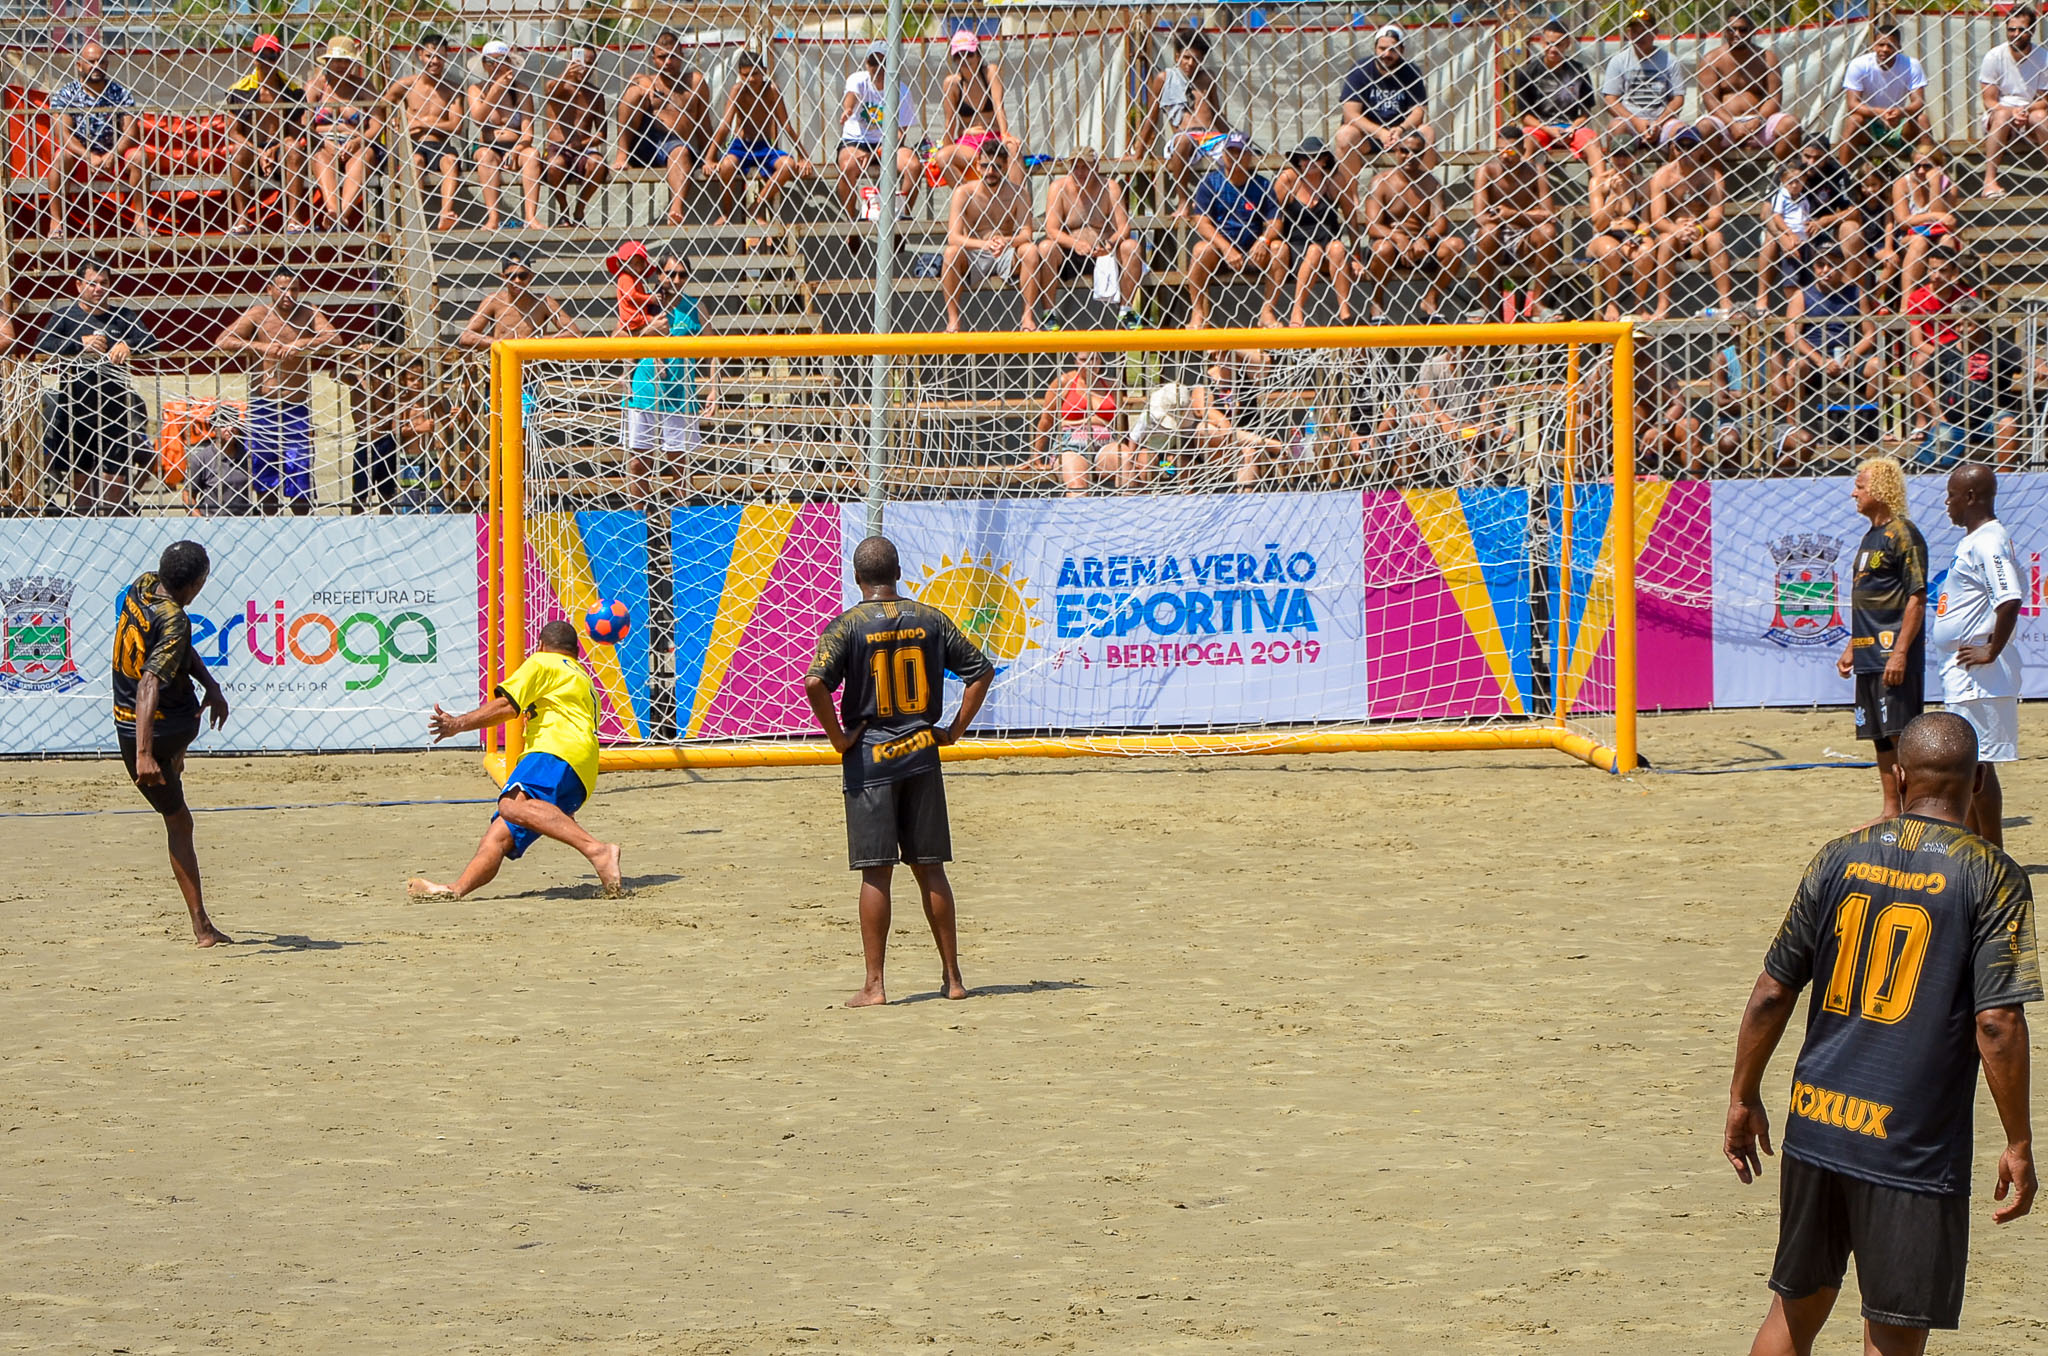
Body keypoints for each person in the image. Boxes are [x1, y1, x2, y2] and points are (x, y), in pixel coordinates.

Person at [1723, 710, 2039, 1354]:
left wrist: (1743, 1095)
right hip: (1909, 1143)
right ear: (1979, 780)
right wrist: (2020, 1140)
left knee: (1793, 1310)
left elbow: (1772, 991)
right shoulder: (1992, 875)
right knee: (1893, 1333)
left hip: (1817, 1120)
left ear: (1897, 776)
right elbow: (1998, 1023)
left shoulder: (1839, 854)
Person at [803, 535, 995, 1008]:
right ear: (899, 573)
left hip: (871, 759)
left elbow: (814, 682)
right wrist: (952, 730)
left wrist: (840, 739)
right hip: (921, 753)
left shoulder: (846, 625)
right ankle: (952, 978)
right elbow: (981, 671)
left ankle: (875, 985)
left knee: (876, 874)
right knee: (931, 870)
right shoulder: (929, 618)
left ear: (856, 577)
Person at [411, 619, 625, 901]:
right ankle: (456, 889)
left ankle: (598, 850)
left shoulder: (543, 662)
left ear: (540, 645)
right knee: (498, 836)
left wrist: (457, 725)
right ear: (576, 651)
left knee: (510, 805)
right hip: (583, 769)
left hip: (555, 751)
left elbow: (506, 706)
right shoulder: (581, 676)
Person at [113, 540, 233, 946]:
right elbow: (150, 681)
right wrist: (146, 755)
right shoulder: (177, 620)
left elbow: (174, 650)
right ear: (198, 584)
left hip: (135, 722)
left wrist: (211, 684)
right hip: (152, 732)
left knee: (187, 702)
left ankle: (173, 759)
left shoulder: (142, 586)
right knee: (180, 823)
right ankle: (202, 929)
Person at [1934, 467, 2026, 846]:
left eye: (1952, 495)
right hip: (1964, 673)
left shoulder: (1988, 541)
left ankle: (1993, 852)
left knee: (1977, 763)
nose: (1947, 503)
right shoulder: (1974, 541)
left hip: (1979, 676)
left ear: (1971, 496)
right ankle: (1974, 847)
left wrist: (1992, 649)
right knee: (1966, 764)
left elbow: (2010, 597)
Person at [1835, 456, 1927, 819]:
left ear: (1881, 489)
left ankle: (1916, 811)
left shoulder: (1904, 533)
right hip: (1868, 654)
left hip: (1892, 654)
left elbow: (1916, 598)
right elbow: (1867, 600)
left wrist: (1900, 653)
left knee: (1901, 736)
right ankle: (1892, 809)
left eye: (1860, 485)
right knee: (1877, 736)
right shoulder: (1870, 536)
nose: (1853, 492)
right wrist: (1851, 648)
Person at [214, 265, 344, 513]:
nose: (289, 295)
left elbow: (335, 338)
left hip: (296, 406)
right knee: (265, 471)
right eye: (284, 289)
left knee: (300, 472)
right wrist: (261, 348)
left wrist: (302, 343)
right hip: (263, 404)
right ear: (270, 289)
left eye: (294, 289)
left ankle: (304, 527)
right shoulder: (259, 314)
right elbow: (223, 340)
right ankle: (270, 524)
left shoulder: (308, 312)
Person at [34, 261, 156, 514]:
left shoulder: (123, 316)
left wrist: (129, 345)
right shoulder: (65, 316)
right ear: (79, 285)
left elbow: (151, 340)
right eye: (92, 283)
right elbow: (41, 346)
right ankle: (80, 533)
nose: (98, 289)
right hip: (77, 412)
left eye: (104, 284)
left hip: (116, 413)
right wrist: (79, 344)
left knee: (115, 484)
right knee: (81, 486)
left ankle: (116, 533)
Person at [622, 250, 715, 489]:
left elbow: (715, 350)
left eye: (682, 275)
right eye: (670, 274)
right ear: (658, 274)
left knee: (679, 463)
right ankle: (639, 522)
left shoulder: (696, 307)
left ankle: (681, 521)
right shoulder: (642, 304)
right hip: (645, 389)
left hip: (679, 394)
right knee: (638, 463)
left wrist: (715, 389)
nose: (676, 280)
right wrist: (647, 332)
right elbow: (618, 341)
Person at [1772, 251, 1878, 445]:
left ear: (1842, 268)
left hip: (1847, 360)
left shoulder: (1856, 292)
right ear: (1814, 268)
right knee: (1796, 366)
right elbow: (1791, 335)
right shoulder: (1802, 296)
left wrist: (1853, 356)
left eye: (1833, 264)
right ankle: (1792, 427)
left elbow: (1870, 332)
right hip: (1814, 363)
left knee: (1877, 366)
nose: (1826, 270)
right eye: (1821, 265)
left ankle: (1870, 422)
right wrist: (1820, 360)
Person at [1921, 297, 2038, 469]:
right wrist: (1936, 413)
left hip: (1990, 420)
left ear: (1982, 323)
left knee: (2008, 425)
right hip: (1954, 423)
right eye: (1957, 325)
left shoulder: (1998, 348)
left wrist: (2039, 368)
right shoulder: (1946, 352)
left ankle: (2004, 480)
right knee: (1931, 456)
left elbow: (2029, 361)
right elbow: (1921, 379)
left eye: (1968, 325)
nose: (1961, 330)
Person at [45, 40, 145, 238]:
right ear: (79, 65)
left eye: (102, 62)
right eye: (91, 61)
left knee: (139, 156)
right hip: (79, 158)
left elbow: (131, 131)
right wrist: (87, 155)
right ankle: (55, 221)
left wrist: (112, 155)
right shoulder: (66, 94)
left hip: (113, 156)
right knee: (59, 158)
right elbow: (63, 133)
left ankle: (140, 219)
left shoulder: (119, 92)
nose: (97, 66)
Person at [1185, 133, 1285, 330]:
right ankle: (1197, 313)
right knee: (1199, 250)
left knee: (1280, 248)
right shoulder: (1211, 182)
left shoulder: (1262, 185)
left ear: (1249, 156)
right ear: (1223, 154)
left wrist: (1264, 240)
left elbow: (1276, 222)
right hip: (1221, 250)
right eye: (1230, 152)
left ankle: (1267, 311)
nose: (1235, 157)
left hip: (1254, 250)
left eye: (1240, 152)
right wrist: (1226, 248)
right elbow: (1201, 221)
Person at [1037, 147, 1145, 327]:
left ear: (1096, 168)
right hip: (1070, 254)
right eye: (1075, 167)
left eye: (1085, 167)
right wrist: (1075, 243)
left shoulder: (1110, 187)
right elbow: (1052, 230)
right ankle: (1049, 313)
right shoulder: (1058, 188)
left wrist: (1110, 244)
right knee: (1046, 247)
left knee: (1131, 246)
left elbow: (1124, 227)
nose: (1080, 172)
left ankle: (1127, 311)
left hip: (1104, 252)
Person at [1363, 129, 1463, 323]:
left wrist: (1424, 239)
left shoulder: (1430, 183)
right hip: (1390, 246)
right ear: (1395, 151)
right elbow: (1372, 226)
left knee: (1456, 245)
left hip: (1420, 247)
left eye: (1416, 152)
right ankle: (1376, 302)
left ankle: (1431, 299)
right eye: (1404, 151)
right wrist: (1399, 238)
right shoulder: (1381, 182)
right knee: (1382, 248)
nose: (1410, 157)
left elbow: (1440, 222)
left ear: (1424, 154)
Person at [941, 138, 1041, 332]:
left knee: (1030, 250)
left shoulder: (1018, 193)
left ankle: (1028, 318)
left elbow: (1027, 233)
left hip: (1006, 253)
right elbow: (953, 237)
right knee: (951, 253)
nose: (990, 172)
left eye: (996, 166)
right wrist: (983, 245)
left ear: (1004, 167)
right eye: (986, 166)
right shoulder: (964, 192)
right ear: (977, 166)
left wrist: (1006, 241)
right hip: (975, 252)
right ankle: (953, 320)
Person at [618, 29, 713, 227]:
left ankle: (676, 209)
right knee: (634, 93)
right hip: (647, 143)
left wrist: (709, 157)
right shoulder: (647, 81)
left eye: (673, 56)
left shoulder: (695, 82)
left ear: (682, 56)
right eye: (662, 57)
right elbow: (634, 80)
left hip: (677, 147)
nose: (668, 62)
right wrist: (642, 82)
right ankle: (621, 154)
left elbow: (704, 124)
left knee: (679, 151)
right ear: (653, 59)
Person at [707, 51, 809, 227]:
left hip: (763, 145)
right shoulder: (737, 90)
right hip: (741, 145)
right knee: (727, 166)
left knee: (787, 165)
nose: (751, 79)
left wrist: (803, 156)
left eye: (755, 74)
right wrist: (709, 157)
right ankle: (727, 211)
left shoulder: (771, 90)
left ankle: (757, 205)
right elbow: (725, 125)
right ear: (740, 74)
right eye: (745, 75)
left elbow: (786, 126)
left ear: (763, 71)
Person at [1469, 124, 1559, 320]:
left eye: (1509, 150)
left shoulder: (1536, 171)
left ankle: (1538, 304)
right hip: (1494, 239)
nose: (1504, 156)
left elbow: (1549, 215)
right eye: (1499, 150)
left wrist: (1512, 214)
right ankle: (1484, 305)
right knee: (1488, 231)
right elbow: (1480, 217)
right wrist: (1523, 216)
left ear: (1522, 150)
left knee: (1548, 232)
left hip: (1524, 239)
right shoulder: (1487, 171)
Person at [1696, 7, 1802, 165]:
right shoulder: (1711, 59)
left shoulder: (1768, 58)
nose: (1736, 34)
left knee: (1791, 124)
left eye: (1742, 29)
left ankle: (1780, 177)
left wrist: (1758, 120)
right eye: (1731, 30)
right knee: (1704, 127)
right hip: (1725, 124)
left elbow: (1775, 98)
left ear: (1752, 31)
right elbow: (1710, 100)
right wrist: (1732, 125)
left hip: (1759, 123)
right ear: (1725, 31)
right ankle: (1716, 180)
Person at [225, 33, 308, 234]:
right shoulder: (240, 91)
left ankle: (294, 218)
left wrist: (274, 150)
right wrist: (260, 152)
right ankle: (242, 218)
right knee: (238, 150)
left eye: (272, 57)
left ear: (278, 58)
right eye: (263, 56)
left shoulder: (292, 91)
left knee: (295, 149)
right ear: (254, 58)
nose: (267, 62)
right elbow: (233, 133)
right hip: (252, 150)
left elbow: (296, 133)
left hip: (280, 149)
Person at [1648, 127, 1734, 319]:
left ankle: (1726, 302)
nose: (1685, 152)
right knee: (1664, 241)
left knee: (1716, 238)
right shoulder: (1663, 176)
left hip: (1699, 237)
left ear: (1701, 149)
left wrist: (1698, 228)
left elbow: (1716, 215)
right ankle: (1662, 306)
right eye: (1680, 147)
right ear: (1673, 149)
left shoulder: (1712, 177)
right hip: (1674, 237)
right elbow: (1657, 217)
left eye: (1691, 146)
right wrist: (1676, 229)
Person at [1334, 25, 1432, 192]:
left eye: (1393, 49)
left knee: (1427, 132)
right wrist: (1380, 133)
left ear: (1402, 50)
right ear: (1375, 48)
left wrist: (1401, 129)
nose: (1386, 54)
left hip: (1401, 136)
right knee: (1345, 135)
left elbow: (1418, 111)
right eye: (1382, 48)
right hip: (1368, 136)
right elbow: (1350, 113)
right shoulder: (1361, 70)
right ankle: (1349, 195)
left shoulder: (1411, 71)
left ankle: (1424, 191)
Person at [1266, 137, 1353, 326]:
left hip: (1328, 240)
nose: (1309, 162)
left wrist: (1359, 259)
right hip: (1298, 242)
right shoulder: (1288, 180)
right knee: (1313, 251)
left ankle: (1345, 314)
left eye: (1315, 157)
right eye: (1304, 158)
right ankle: (1296, 312)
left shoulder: (1333, 180)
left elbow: (1351, 218)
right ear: (1298, 161)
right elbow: (1270, 212)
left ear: (1324, 160)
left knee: (1338, 247)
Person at [383, 34, 465, 233]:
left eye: (439, 56)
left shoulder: (452, 89)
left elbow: (456, 125)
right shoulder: (406, 85)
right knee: (416, 162)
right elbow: (382, 106)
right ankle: (416, 216)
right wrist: (394, 120)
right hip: (415, 144)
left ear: (446, 57)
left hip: (440, 145)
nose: (434, 61)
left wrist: (423, 122)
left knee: (450, 162)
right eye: (430, 55)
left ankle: (446, 213)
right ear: (420, 54)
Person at [834, 41, 922, 221]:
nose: (878, 68)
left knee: (914, 166)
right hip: (856, 140)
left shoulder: (901, 90)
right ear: (866, 64)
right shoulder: (858, 80)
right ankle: (852, 221)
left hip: (887, 143)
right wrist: (848, 109)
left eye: (884, 63)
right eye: (873, 62)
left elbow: (899, 134)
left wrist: (877, 152)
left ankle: (901, 214)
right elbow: (852, 96)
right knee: (847, 166)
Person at [1146, 28, 1230, 218]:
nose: (1190, 63)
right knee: (1183, 140)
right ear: (1177, 56)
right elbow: (1151, 117)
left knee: (1236, 149)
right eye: (1186, 57)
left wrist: (1234, 137)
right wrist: (1137, 151)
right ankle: (1183, 201)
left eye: (1196, 59)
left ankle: (1229, 206)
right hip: (1184, 138)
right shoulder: (1164, 79)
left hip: (1208, 138)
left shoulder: (1207, 78)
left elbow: (1216, 114)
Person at [304, 35, 383, 230]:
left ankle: (340, 215)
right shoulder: (316, 87)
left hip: (356, 144)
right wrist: (325, 139)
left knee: (365, 155)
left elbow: (377, 124)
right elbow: (305, 123)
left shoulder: (364, 87)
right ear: (328, 61)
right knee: (320, 157)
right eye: (336, 60)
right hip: (323, 144)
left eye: (345, 61)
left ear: (352, 63)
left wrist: (358, 141)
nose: (340, 65)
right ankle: (333, 212)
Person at [930, 30, 1021, 189]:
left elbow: (999, 105)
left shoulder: (990, 72)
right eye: (960, 55)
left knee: (1013, 148)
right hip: (969, 143)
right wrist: (947, 147)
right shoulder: (953, 83)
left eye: (969, 54)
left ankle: (1015, 202)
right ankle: (969, 198)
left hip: (993, 137)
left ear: (978, 55)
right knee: (943, 157)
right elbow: (949, 122)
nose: (965, 59)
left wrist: (1005, 134)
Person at [1512, 20, 1602, 178]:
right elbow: (1525, 116)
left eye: (1559, 44)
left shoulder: (1579, 70)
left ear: (1567, 44)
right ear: (1542, 42)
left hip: (1572, 127)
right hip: (1541, 127)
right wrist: (1548, 130)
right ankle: (1521, 187)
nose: (1553, 49)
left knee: (1593, 141)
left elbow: (1587, 110)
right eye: (1549, 43)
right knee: (1526, 139)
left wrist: (1573, 128)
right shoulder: (1528, 72)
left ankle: (1602, 184)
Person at [1904, 249, 1978, 437]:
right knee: (1918, 361)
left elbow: (1976, 332)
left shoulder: (1967, 295)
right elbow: (1917, 341)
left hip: (1961, 350)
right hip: (1930, 352)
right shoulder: (1917, 298)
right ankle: (1927, 421)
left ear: (1954, 272)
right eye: (1932, 269)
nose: (1935, 276)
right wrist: (1943, 354)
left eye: (1943, 270)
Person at [468, 40, 539, 232]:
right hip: (488, 146)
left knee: (532, 155)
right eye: (490, 62)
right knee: (485, 157)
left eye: (500, 60)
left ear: (509, 62)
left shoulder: (521, 91)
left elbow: (528, 132)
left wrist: (517, 150)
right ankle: (493, 218)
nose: (496, 66)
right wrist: (495, 91)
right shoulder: (476, 90)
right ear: (484, 65)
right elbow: (478, 119)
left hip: (516, 146)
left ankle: (530, 216)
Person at [1838, 20, 1928, 170]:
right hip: (1869, 123)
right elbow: (1852, 104)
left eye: (1890, 46)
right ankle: (1842, 177)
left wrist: (1900, 113)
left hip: (1898, 123)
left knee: (1922, 119)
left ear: (1898, 47)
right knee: (1854, 120)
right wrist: (1880, 113)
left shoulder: (1911, 65)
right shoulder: (1859, 65)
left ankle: (1929, 173)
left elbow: (1918, 102)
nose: (1885, 49)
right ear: (1873, 45)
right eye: (1881, 44)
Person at [1035, 350, 1127, 492]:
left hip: (1105, 442)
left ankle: (1127, 508)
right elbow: (1046, 419)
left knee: (1127, 460)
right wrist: (1036, 454)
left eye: (1094, 359)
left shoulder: (1112, 385)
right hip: (1071, 444)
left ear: (1100, 361)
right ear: (1076, 361)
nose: (1089, 364)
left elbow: (1120, 423)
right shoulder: (1065, 382)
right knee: (1077, 485)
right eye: (1084, 359)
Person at [1982, 6, 2048, 200]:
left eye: (2021, 29)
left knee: (2040, 116)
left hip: (2031, 111)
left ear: (2032, 31)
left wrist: (2025, 110)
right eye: (2011, 29)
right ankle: (1989, 181)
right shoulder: (1994, 56)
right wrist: (2011, 112)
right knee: (2002, 115)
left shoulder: (2043, 58)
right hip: (2001, 114)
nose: (2015, 34)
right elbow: (1989, 100)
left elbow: (2044, 100)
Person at [458, 247, 581, 348]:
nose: (517, 281)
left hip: (531, 376)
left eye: (522, 276)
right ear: (503, 277)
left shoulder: (543, 302)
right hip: (502, 374)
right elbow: (466, 336)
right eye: (511, 276)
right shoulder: (494, 301)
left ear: (530, 277)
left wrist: (534, 341)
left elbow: (575, 334)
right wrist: (503, 344)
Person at [541, 45, 609, 227]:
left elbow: (602, 134)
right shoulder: (557, 87)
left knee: (598, 163)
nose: (584, 68)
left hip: (582, 149)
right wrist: (566, 74)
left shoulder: (595, 95)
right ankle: (563, 209)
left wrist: (582, 143)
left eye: (589, 64)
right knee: (555, 165)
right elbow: (550, 92)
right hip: (557, 148)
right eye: (580, 63)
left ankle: (579, 210)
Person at [1587, 136, 1654, 320]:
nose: (1622, 160)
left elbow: (1645, 221)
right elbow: (1598, 224)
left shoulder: (1641, 183)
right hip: (1604, 235)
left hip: (1631, 234)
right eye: (1617, 155)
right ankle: (1611, 303)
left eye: (1626, 155)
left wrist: (1639, 235)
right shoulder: (1598, 182)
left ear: (1634, 156)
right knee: (1611, 251)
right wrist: (1615, 196)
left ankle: (1639, 304)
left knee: (1647, 250)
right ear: (1610, 156)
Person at [1602, 9, 1687, 153]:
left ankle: (1675, 174)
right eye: (1635, 31)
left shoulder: (1669, 60)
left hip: (1661, 120)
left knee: (1681, 131)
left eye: (1645, 30)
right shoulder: (1619, 60)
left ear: (1655, 32)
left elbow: (1678, 98)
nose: (1640, 36)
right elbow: (1610, 98)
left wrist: (1659, 123)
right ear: (1628, 33)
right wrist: (1636, 122)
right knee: (1617, 127)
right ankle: (1620, 174)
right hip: (1630, 121)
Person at [1895, 148, 1961, 309]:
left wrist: (1935, 185)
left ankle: (1945, 297)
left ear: (1938, 167)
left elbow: (1943, 220)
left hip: (1938, 234)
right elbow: (1903, 221)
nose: (1921, 171)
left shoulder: (1948, 186)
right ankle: (1907, 301)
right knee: (1920, 242)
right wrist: (1934, 217)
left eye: (1927, 166)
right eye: (1916, 166)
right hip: (1909, 235)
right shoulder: (1902, 184)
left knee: (1947, 239)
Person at [1754, 161, 1816, 317]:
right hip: (1790, 239)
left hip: (1804, 241)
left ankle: (1807, 308)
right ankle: (1794, 311)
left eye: (1798, 181)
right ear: (1783, 182)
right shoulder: (1781, 196)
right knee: (1791, 279)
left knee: (1807, 277)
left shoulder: (1803, 198)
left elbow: (1805, 216)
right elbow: (1774, 216)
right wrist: (1788, 234)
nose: (1795, 185)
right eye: (1791, 182)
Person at [181, 403, 252, 516]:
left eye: (234, 424)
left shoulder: (248, 457)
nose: (230, 428)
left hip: (243, 523)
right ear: (214, 429)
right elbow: (188, 495)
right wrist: (200, 522)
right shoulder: (201, 459)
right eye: (224, 424)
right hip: (212, 523)